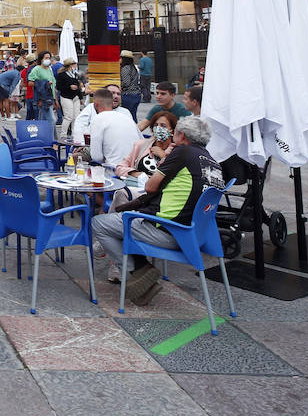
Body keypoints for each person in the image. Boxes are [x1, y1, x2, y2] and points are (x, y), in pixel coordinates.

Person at [92, 115, 224, 301]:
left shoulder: (182, 152)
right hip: (197, 236)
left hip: (168, 230)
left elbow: (150, 187)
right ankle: (140, 270)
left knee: (99, 223)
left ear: (182, 135)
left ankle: (137, 272)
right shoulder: (214, 164)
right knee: (120, 224)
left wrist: (166, 158)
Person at [87, 88, 140, 174]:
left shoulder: (98, 119)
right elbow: (140, 142)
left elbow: (96, 157)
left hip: (115, 171)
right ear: (111, 103)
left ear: (96, 105)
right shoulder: (126, 117)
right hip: (135, 169)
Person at [55, 58, 85, 141]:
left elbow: (79, 86)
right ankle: (63, 135)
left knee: (76, 116)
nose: (76, 65)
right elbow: (58, 87)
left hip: (76, 97)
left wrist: (80, 96)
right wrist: (69, 87)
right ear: (70, 65)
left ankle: (74, 134)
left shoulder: (76, 74)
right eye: (74, 64)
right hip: (66, 96)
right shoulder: (62, 75)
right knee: (68, 117)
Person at [25, 53, 58, 122]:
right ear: (41, 59)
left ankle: (44, 132)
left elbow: (53, 86)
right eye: (46, 58)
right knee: (52, 119)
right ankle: (51, 133)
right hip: (42, 98)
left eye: (49, 58)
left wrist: (55, 100)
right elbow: (30, 82)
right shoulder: (37, 69)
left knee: (43, 120)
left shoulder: (49, 69)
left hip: (50, 97)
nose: (48, 60)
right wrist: (44, 83)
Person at [120, 51, 142, 119]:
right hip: (136, 94)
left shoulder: (125, 69)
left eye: (120, 58)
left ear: (124, 59)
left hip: (128, 95)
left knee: (126, 116)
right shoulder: (133, 68)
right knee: (133, 116)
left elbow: (126, 83)